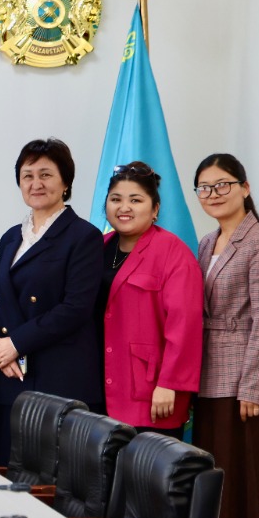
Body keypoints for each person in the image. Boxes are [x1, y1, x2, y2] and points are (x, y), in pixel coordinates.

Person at [193, 153, 259, 518]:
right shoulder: (206, 241)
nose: (213, 193)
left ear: (245, 188)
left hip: (242, 383)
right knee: (212, 476)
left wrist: (252, 386)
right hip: (206, 376)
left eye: (222, 185)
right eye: (204, 188)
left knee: (239, 480)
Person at [0, 139, 102, 457]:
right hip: (13, 377)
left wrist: (16, 344)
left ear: (66, 182)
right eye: (27, 176)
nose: (35, 183)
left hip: (61, 380)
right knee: (13, 474)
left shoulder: (84, 236)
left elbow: (76, 308)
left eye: (46, 174)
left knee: (59, 479)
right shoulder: (10, 237)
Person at [99, 162, 203, 437]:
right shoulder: (99, 247)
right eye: (116, 199)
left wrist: (169, 383)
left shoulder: (173, 252)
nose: (124, 207)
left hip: (152, 393)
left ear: (155, 209)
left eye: (135, 200)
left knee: (149, 464)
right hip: (103, 388)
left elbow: (185, 325)